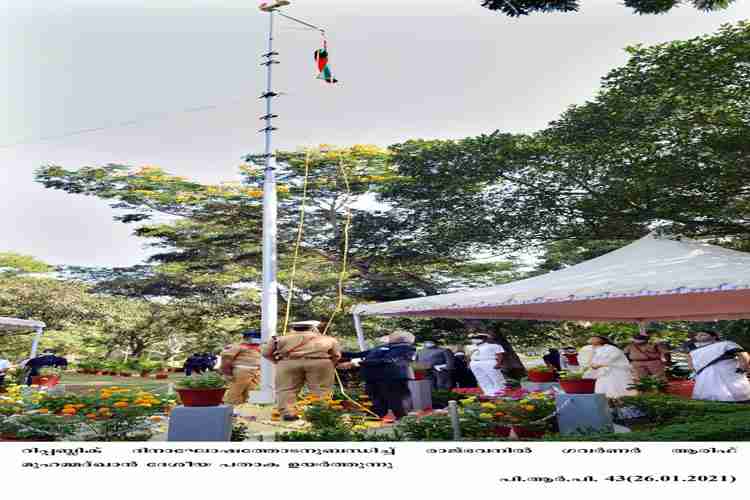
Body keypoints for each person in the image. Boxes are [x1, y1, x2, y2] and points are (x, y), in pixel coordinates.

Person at [261, 320, 341, 421]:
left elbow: (265, 353)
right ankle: (320, 412)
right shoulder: (328, 339)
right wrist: (330, 365)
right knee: (321, 389)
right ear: (313, 328)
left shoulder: (278, 339)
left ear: (293, 328)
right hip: (319, 363)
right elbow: (337, 355)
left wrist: (277, 362)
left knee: (286, 389)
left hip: (288, 363)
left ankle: (288, 413)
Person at [343, 330, 417, 419]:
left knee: (396, 399)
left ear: (402, 338)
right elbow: (358, 354)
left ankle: (403, 418)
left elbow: (388, 360)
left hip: (392, 377)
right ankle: (376, 416)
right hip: (373, 377)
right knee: (375, 399)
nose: (390, 336)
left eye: (393, 335)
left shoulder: (407, 348)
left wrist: (361, 363)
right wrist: (335, 352)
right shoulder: (383, 346)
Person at [689, 330, 750, 403]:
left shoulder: (726, 344)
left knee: (736, 397)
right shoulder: (693, 350)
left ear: (714, 337)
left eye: (703, 334)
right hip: (704, 376)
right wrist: (693, 370)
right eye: (697, 335)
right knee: (705, 398)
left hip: (727, 373)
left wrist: (742, 367)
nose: (699, 336)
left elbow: (742, 354)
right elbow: (691, 362)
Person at [220, 330, 263, 406]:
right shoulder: (238, 346)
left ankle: (247, 408)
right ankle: (231, 408)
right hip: (242, 371)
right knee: (236, 391)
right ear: (247, 338)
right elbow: (226, 358)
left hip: (256, 372)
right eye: (255, 337)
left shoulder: (259, 347)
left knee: (250, 392)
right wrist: (227, 372)